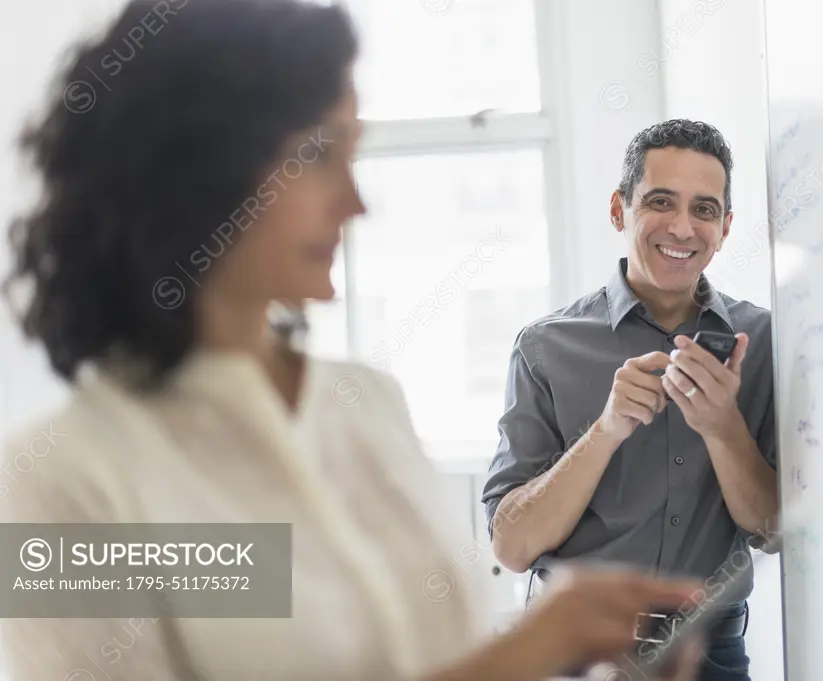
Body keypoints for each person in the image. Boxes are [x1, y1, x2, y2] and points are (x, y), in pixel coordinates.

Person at [0, 2, 708, 680]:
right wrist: (520, 653)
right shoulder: (58, 481)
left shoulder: (366, 403)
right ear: (193, 170)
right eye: (317, 156)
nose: (356, 202)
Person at [481, 119, 780, 681]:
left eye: (705, 209)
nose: (682, 227)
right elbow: (513, 546)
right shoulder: (546, 346)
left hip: (712, 655)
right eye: (660, 202)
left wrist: (722, 427)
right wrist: (607, 429)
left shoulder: (762, 343)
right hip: (574, 651)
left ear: (726, 227)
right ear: (620, 210)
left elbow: (774, 528)